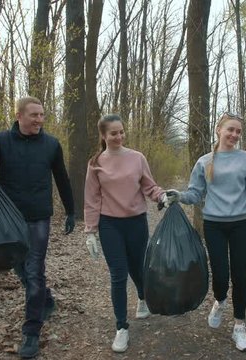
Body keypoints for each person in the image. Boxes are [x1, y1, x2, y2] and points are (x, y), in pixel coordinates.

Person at [0, 96, 75, 359]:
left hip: (39, 216)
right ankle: (45, 300)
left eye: (42, 115)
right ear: (19, 116)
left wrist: (72, 211)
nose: (39, 119)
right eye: (34, 115)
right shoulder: (2, 140)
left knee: (35, 270)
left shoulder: (51, 144)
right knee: (19, 266)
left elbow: (61, 177)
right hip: (9, 218)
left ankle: (31, 333)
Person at [164, 112, 246, 352]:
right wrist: (178, 196)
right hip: (213, 225)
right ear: (219, 130)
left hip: (240, 225)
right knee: (221, 276)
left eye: (238, 132)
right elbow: (195, 193)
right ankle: (220, 300)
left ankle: (239, 327)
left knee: (238, 277)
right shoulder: (204, 161)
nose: (234, 135)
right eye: (230, 130)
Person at [83, 114, 167, 353]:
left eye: (121, 132)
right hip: (110, 225)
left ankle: (142, 297)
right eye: (113, 133)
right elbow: (91, 199)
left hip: (136, 222)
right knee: (118, 274)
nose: (119, 136)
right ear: (103, 135)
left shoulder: (137, 158)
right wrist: (90, 231)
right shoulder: (96, 163)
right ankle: (121, 327)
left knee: (137, 267)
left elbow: (149, 186)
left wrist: (161, 196)